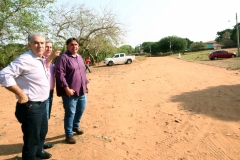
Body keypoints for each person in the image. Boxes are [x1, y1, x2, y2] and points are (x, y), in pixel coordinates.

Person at [0, 33, 52, 159]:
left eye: (42, 43)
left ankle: (39, 152)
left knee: (41, 133)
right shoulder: (25, 59)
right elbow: (3, 75)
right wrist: (20, 93)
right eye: (36, 42)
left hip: (42, 103)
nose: (39, 45)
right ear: (29, 45)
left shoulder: (39, 58)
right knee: (31, 139)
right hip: (31, 107)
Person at [55, 37, 89, 144]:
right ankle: (69, 134)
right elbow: (60, 75)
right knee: (70, 113)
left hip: (81, 90)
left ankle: (75, 126)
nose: (74, 46)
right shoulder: (63, 58)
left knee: (81, 108)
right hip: (70, 91)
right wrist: (66, 88)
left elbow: (82, 72)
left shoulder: (79, 57)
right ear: (67, 46)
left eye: (76, 45)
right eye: (72, 45)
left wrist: (86, 84)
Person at [42, 39, 60, 149]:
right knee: (43, 118)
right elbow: (44, 67)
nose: (49, 49)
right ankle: (39, 143)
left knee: (46, 117)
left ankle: (41, 141)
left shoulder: (50, 62)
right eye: (47, 47)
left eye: (51, 47)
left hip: (50, 92)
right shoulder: (41, 60)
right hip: (43, 94)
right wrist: (52, 57)